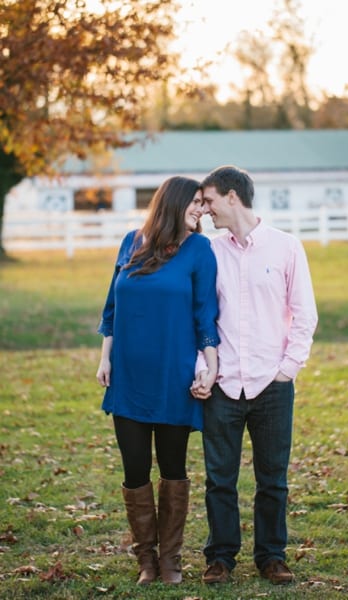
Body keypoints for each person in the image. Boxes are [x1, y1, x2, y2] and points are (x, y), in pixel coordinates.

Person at [189, 165, 318, 586]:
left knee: (273, 479)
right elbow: (198, 316)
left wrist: (288, 370)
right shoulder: (208, 250)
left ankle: (271, 556)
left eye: (208, 200)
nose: (204, 209)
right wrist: (203, 370)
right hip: (223, 384)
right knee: (219, 479)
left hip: (271, 385)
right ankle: (220, 557)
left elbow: (304, 314)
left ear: (231, 197)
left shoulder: (286, 247)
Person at [95, 176, 220, 585]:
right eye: (197, 202)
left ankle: (170, 561)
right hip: (128, 376)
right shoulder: (132, 241)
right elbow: (111, 306)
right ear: (175, 201)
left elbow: (205, 315)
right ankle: (145, 561)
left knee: (173, 469)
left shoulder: (199, 249)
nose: (202, 209)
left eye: (204, 203)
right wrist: (105, 359)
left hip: (173, 378)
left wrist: (211, 363)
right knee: (135, 471)